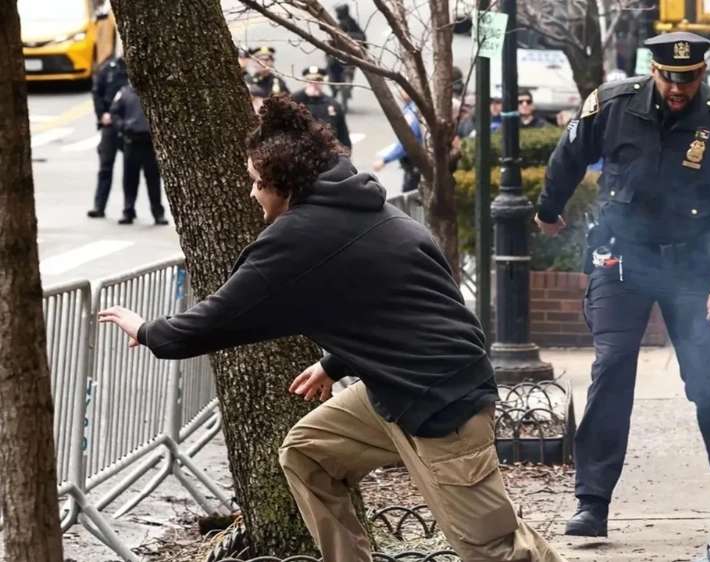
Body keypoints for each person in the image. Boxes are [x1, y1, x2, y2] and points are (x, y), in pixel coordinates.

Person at [96, 94, 565, 562]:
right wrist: (334, 363)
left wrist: (150, 330)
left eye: (257, 183)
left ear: (283, 182)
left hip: (443, 403)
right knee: (308, 453)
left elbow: (219, 316)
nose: (253, 193)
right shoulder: (363, 205)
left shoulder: (298, 239)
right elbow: (385, 302)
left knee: (494, 548)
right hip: (394, 389)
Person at [536, 32, 710, 538]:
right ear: (654, 71)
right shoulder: (613, 104)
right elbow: (570, 152)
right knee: (612, 367)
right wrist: (549, 208)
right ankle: (591, 503)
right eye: (669, 78)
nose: (677, 89)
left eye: (687, 80)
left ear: (701, 75)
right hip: (621, 258)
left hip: (693, 266)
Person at [109, 83, 168, 226]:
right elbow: (114, 113)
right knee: (130, 179)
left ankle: (158, 212)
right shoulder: (124, 93)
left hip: (150, 143)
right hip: (132, 141)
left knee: (153, 180)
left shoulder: (153, 91)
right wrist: (123, 127)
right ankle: (128, 210)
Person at [87, 55, 130, 219]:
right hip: (110, 124)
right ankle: (99, 206)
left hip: (130, 125)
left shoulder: (139, 67)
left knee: (131, 171)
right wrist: (102, 114)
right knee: (105, 168)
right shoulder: (109, 68)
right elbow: (97, 91)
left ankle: (129, 210)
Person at [291, 66, 352, 151]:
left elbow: (343, 135)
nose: (314, 84)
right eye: (311, 81)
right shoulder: (294, 101)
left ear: (322, 83)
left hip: (327, 152)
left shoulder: (333, 105)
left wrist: (345, 152)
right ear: (305, 82)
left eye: (318, 81)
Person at [373, 88, 422, 193]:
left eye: (403, 89)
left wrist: (385, 160)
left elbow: (407, 141)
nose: (400, 91)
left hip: (416, 164)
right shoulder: (410, 108)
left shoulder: (412, 112)